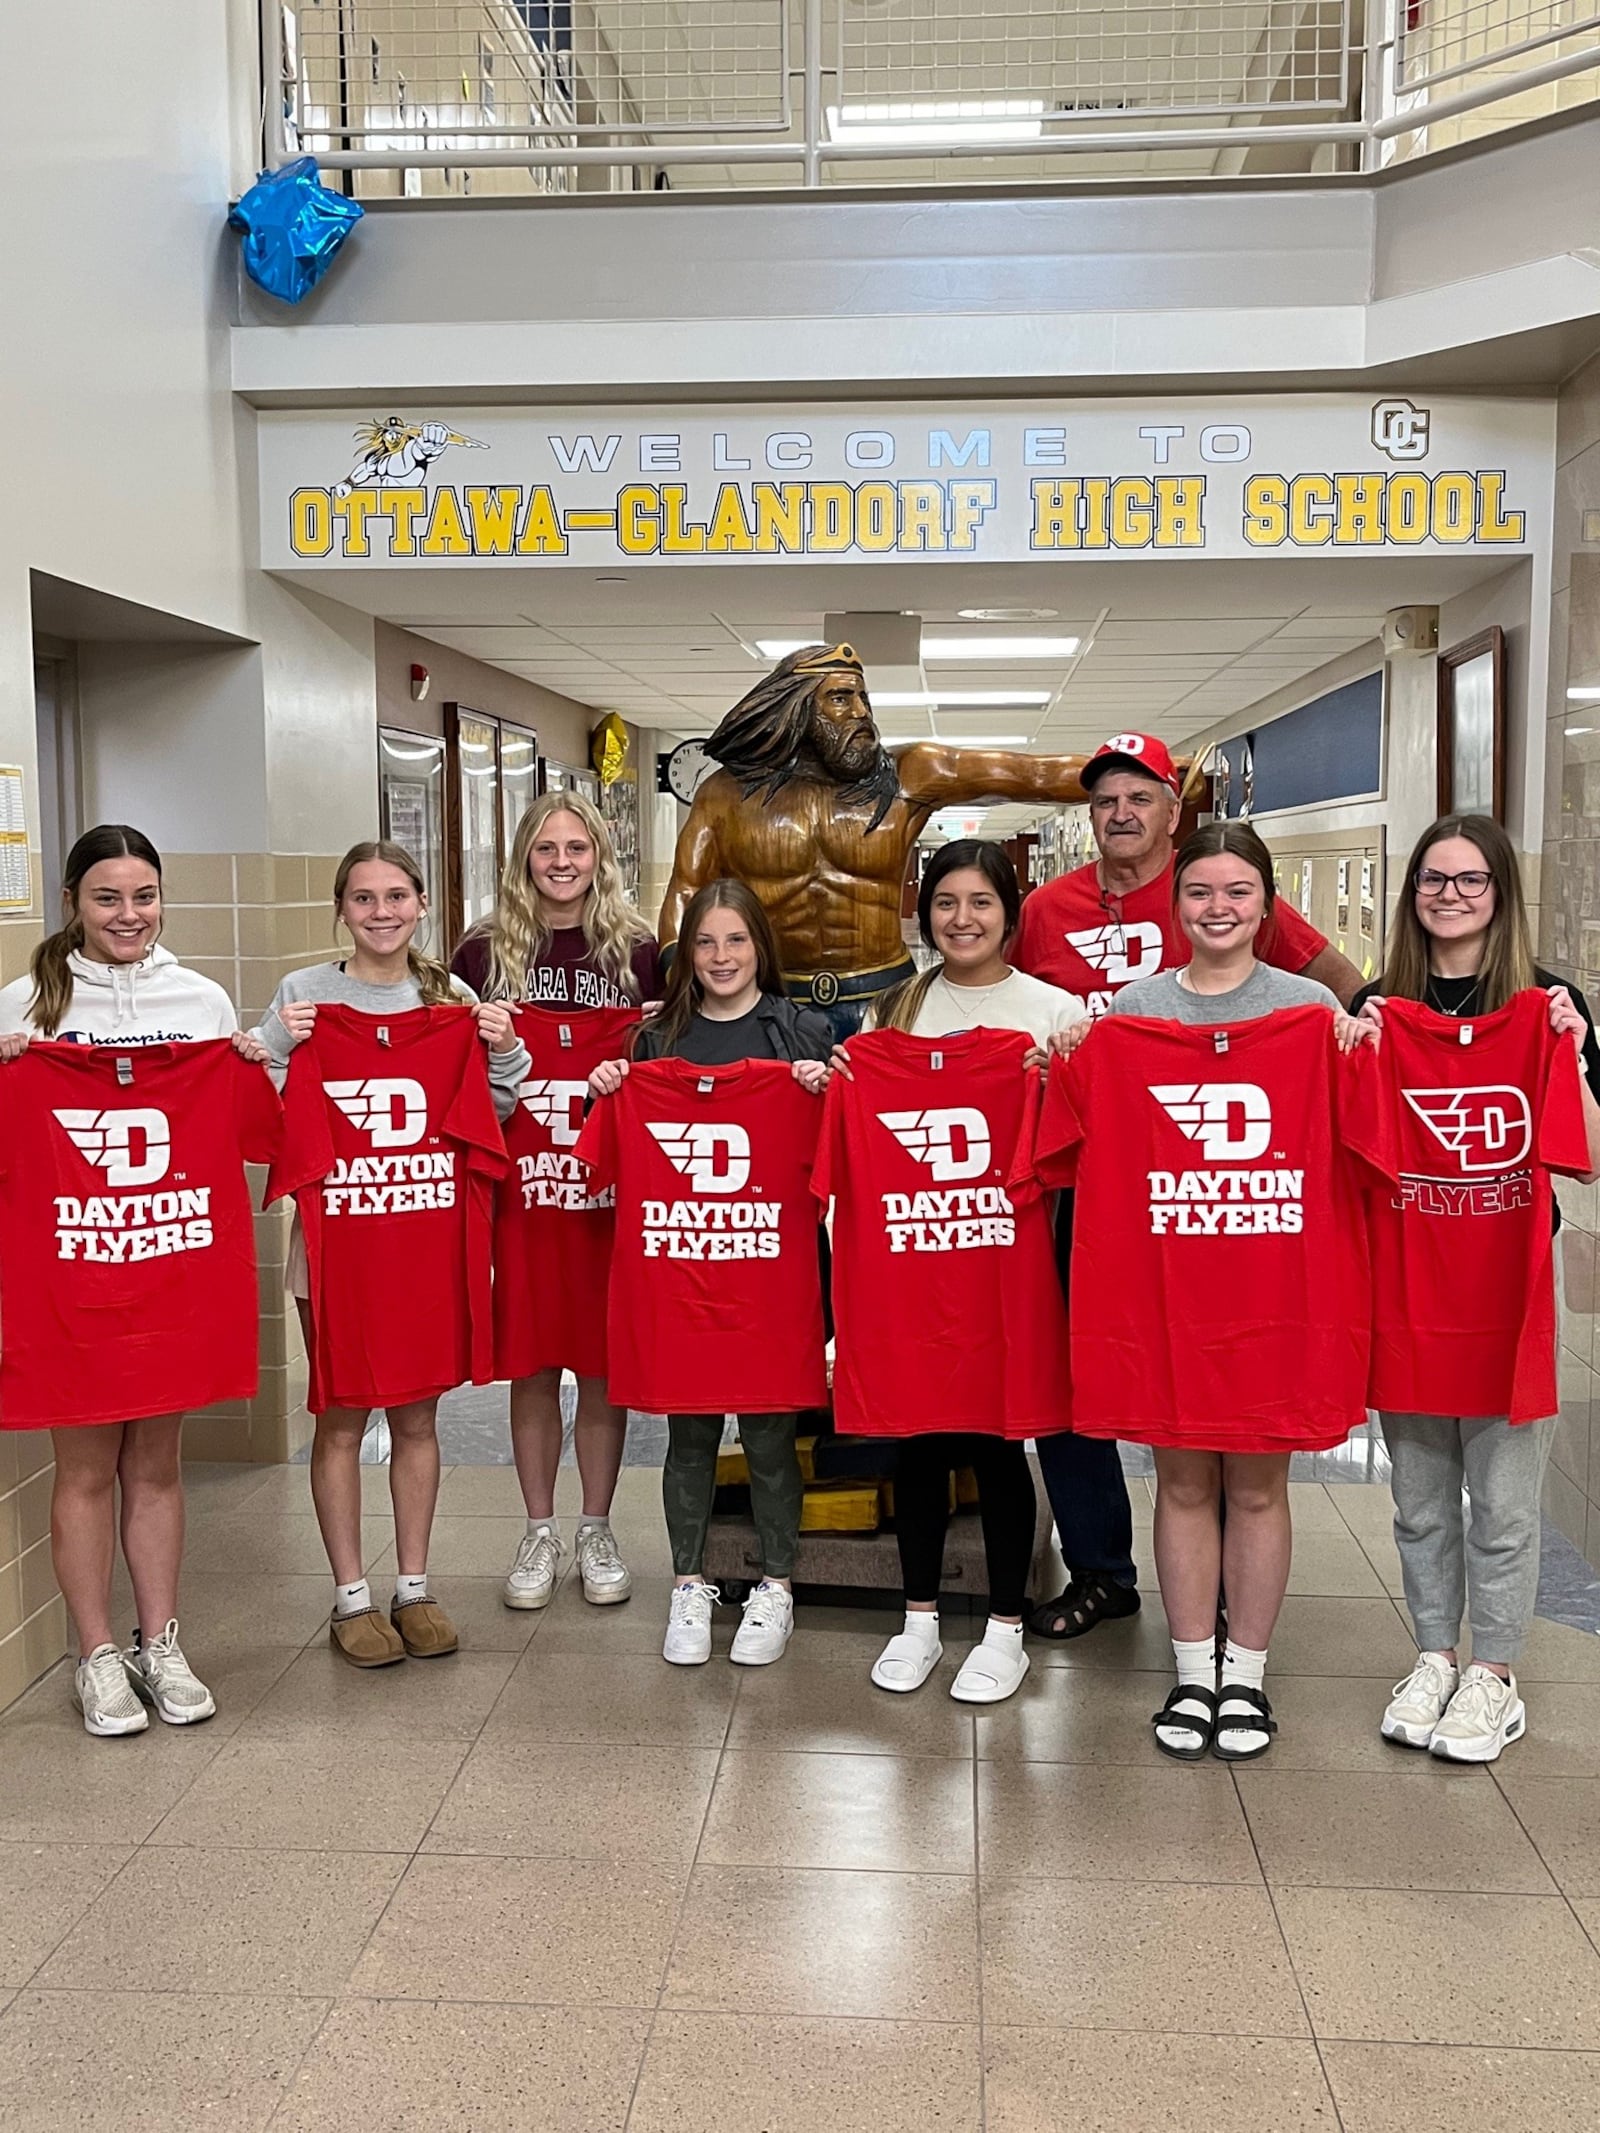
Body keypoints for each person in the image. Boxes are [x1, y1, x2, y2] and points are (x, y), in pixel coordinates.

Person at [1013, 731, 1363, 1645]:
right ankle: (1104, 1569)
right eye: (1104, 801)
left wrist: (1363, 1037)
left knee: (1227, 1391)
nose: (1121, 813)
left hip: (1236, 1199)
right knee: (1088, 1368)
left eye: (1140, 797)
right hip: (1109, 1173)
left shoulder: (1228, 886)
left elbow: (1335, 984)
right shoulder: (1048, 909)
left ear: (1175, 809)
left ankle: (1219, 1593)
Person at [1097, 821, 1367, 1760]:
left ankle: (1244, 1675)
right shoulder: (1133, 1011)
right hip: (1167, 1287)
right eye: (1201, 893)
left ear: (1266, 904)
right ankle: (1189, 1671)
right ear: (1176, 906)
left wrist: (1356, 1042)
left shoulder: (1306, 1009)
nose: (1219, 908)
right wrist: (1062, 1052)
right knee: (1179, 1480)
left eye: (1238, 892)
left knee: (1257, 1484)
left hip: (1272, 1289)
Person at [0, 824, 265, 1738]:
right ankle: (96, 1653)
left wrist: (248, 1062)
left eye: (143, 896)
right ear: (73, 900)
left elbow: (244, 1124)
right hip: (71, 1275)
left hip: (172, 1268)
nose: (129, 914)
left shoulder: (199, 1002)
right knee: (84, 1469)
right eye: (108, 897)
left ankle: (162, 1641)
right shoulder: (25, 1006)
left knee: (156, 1463)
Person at [1354, 814, 1600, 1761]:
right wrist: (1353, 1049)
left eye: (1470, 881)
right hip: (1410, 1286)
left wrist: (1572, 1060)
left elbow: (1587, 1158)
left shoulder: (1549, 1006)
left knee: (1501, 1502)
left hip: (1508, 1288)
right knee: (1419, 1498)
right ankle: (1433, 1654)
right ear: (1412, 892)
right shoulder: (1381, 1006)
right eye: (1432, 879)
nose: (1449, 895)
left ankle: (1494, 1674)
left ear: (1501, 893)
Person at [259, 839, 528, 1667]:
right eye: (364, 898)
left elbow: (496, 1106)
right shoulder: (303, 996)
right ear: (341, 908)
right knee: (341, 1415)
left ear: (421, 904)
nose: (382, 912)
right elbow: (261, 1105)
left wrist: (504, 1044)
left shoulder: (451, 996)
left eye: (397, 896)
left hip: (422, 1241)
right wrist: (272, 1040)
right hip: (337, 1247)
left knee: (418, 1415)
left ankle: (413, 1584)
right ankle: (349, 1595)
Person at [839, 840, 1084, 1704]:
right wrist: (838, 1078)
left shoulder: (1056, 1012)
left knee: (995, 1439)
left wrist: (1062, 1077)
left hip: (1005, 1269)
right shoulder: (893, 1013)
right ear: (924, 913)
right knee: (916, 1439)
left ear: (1009, 911)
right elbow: (855, 1142)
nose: (963, 919)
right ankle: (917, 1620)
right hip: (910, 1269)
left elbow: (1087, 1141)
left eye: (980, 901)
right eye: (946, 902)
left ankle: (1006, 1627)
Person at [587, 878, 831, 1668]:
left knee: (769, 1436)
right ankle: (688, 1583)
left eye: (735, 940)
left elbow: (844, 1155)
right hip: (678, 1276)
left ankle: (777, 1586)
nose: (720, 957)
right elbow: (601, 1156)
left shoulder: (801, 1032)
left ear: (760, 943)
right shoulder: (655, 1041)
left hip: (770, 1275)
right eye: (704, 942)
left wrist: (826, 1090)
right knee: (686, 1434)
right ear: (685, 953)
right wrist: (607, 1091)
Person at [660, 643, 1099, 1041]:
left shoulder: (909, 775)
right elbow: (686, 888)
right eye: (839, 699)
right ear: (797, 709)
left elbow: (1035, 775)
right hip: (778, 1001)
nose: (860, 713)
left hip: (889, 998)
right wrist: (676, 978)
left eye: (863, 699)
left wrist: (1145, 771)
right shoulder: (726, 794)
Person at [452, 789, 660, 1613]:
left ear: (600, 855)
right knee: (533, 1364)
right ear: (523, 859)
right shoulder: (480, 954)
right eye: (547, 849)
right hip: (524, 1192)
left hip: (610, 1194)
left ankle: (597, 1524)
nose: (563, 862)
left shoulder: (640, 950)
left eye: (578, 847)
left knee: (603, 1366)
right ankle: (538, 1527)